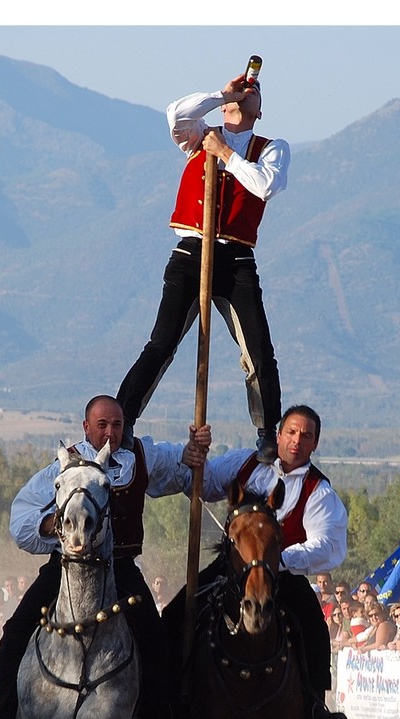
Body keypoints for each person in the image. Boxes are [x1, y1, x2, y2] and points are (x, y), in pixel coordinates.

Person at [0, 395, 211, 719]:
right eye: (102, 425)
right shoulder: (61, 467)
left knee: (155, 639)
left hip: (120, 568)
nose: (110, 432)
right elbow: (21, 519)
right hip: (65, 567)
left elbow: (179, 466)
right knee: (14, 635)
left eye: (117, 425)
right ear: (86, 427)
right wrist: (53, 524)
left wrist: (194, 449)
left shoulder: (141, 455)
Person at [115, 68, 289, 463]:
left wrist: (226, 155)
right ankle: (123, 422)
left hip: (236, 258)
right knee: (161, 343)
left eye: (254, 91)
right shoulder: (198, 134)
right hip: (191, 253)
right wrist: (219, 93)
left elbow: (265, 185)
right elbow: (175, 114)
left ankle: (267, 432)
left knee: (258, 348)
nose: (247, 94)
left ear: (260, 110)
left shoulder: (271, 148)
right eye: (241, 90)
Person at [183, 403, 348, 719]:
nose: (297, 441)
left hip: (281, 576)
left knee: (314, 626)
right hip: (229, 570)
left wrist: (279, 560)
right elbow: (205, 484)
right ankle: (166, 702)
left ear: (315, 444)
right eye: (291, 432)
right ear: (278, 434)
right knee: (179, 611)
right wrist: (196, 456)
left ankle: (315, 706)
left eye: (306, 435)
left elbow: (329, 547)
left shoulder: (319, 492)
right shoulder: (246, 462)